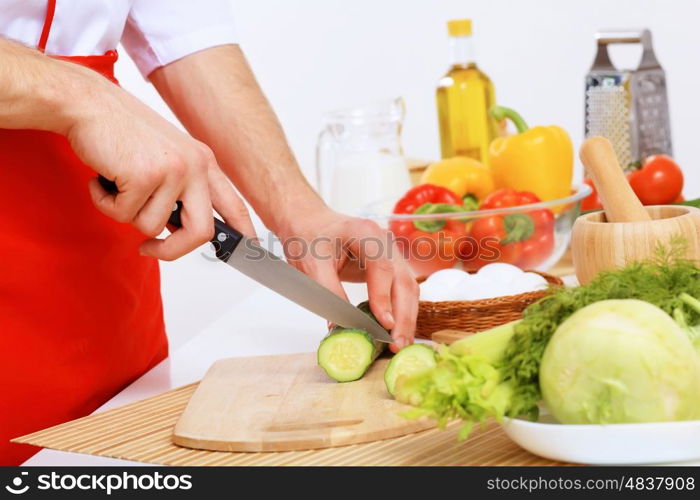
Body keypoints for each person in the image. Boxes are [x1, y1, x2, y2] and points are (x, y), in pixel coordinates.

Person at [0, 0, 418, 465]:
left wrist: (301, 214)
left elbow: (184, 31)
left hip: (99, 248)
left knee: (116, 452)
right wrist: (84, 96)